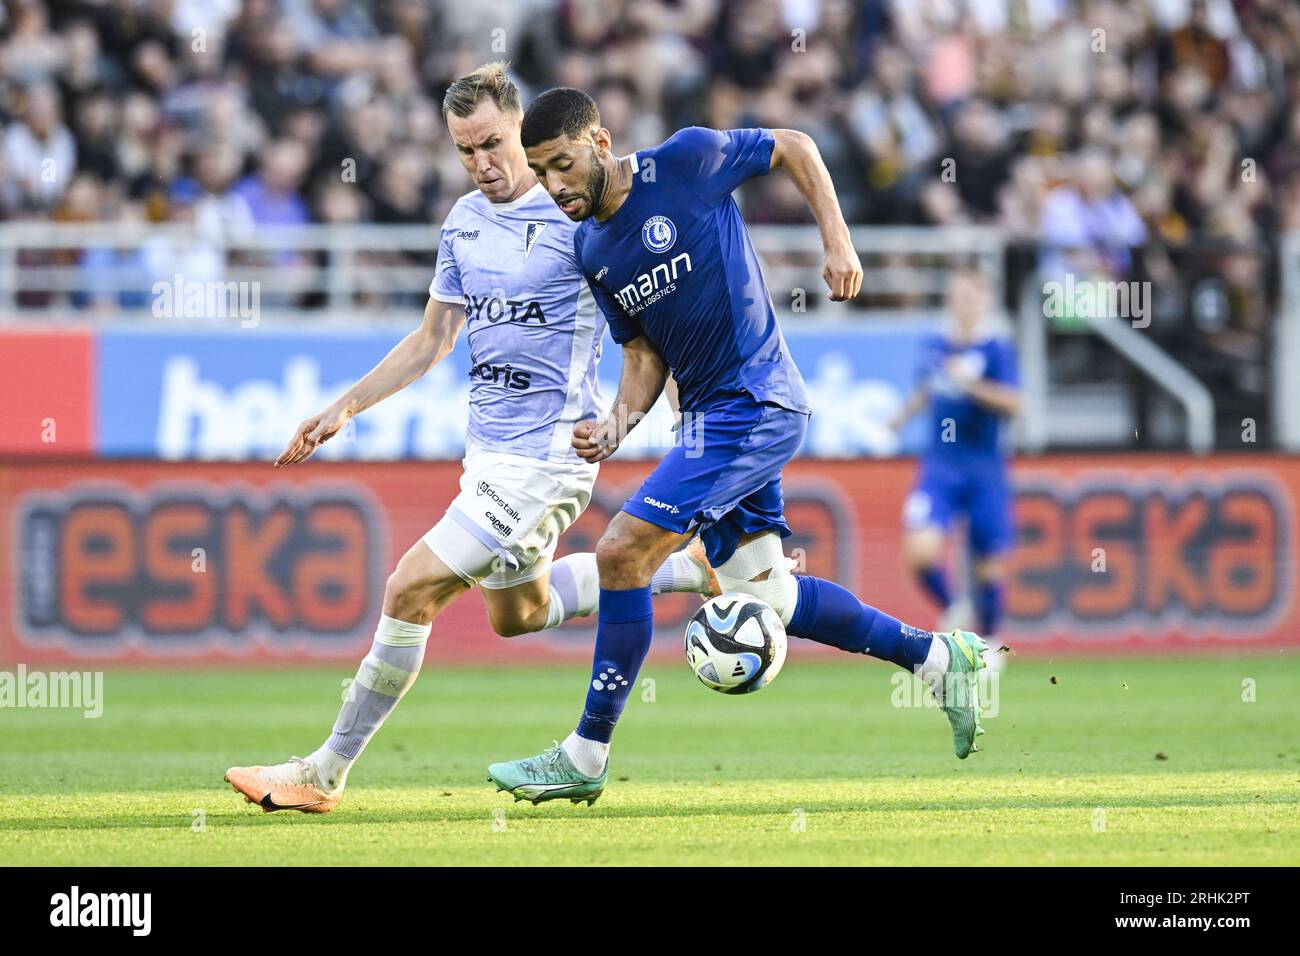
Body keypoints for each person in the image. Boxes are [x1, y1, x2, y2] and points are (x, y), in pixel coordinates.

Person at [224, 64, 716, 814]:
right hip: (487, 454)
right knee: (517, 614)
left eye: (491, 144)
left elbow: (647, 337)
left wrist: (692, 433)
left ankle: (320, 774)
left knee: (409, 587)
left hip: (549, 456)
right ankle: (683, 572)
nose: (482, 163)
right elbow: (433, 339)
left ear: (520, 130)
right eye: (464, 151)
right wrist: (344, 407)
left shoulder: (579, 218)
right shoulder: (462, 222)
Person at [487, 88, 989, 808]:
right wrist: (616, 425)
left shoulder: (686, 161)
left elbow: (794, 145)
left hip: (756, 401)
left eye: (562, 164)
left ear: (599, 141)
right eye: (541, 173)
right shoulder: (591, 249)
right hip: (705, 416)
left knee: (622, 552)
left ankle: (585, 752)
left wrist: (837, 241)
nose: (555, 185)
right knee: (769, 595)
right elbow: (642, 358)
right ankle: (942, 658)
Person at [890, 264, 1019, 665]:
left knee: (988, 566)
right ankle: (955, 610)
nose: (960, 305)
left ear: (982, 301)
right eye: (955, 297)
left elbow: (1016, 403)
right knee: (920, 553)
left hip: (983, 468)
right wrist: (897, 421)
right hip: (940, 467)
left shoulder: (996, 349)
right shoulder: (935, 347)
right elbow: (927, 390)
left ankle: (992, 642)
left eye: (968, 297)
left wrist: (972, 385)